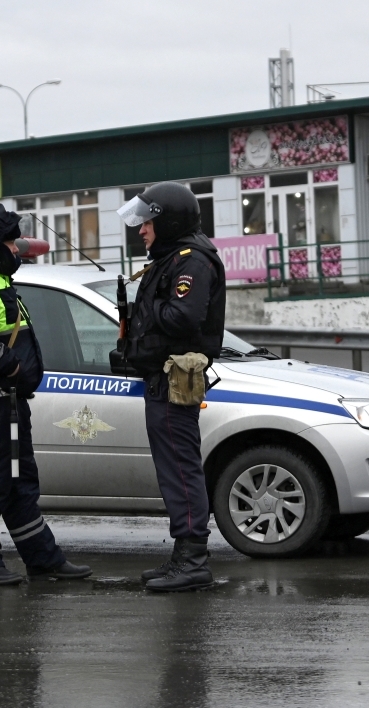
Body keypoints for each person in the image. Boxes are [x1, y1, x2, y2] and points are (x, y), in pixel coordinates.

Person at [0, 202, 91, 585]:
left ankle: (43, 559)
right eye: (10, 242)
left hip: (6, 400)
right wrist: (13, 368)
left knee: (19, 480)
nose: (16, 249)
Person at [117, 182, 226, 592]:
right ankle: (184, 554)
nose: (141, 229)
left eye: (148, 221)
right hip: (161, 376)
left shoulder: (191, 260)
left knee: (181, 470)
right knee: (174, 470)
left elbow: (183, 317)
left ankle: (193, 561)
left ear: (170, 221)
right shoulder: (172, 257)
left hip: (174, 377)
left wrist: (147, 307)